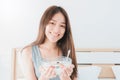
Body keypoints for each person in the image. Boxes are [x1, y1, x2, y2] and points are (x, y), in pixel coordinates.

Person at [20, 5, 78, 80]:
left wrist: (66, 78)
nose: (56, 30)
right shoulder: (28, 52)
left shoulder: (67, 52)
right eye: (52, 23)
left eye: (62, 25)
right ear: (44, 23)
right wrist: (44, 78)